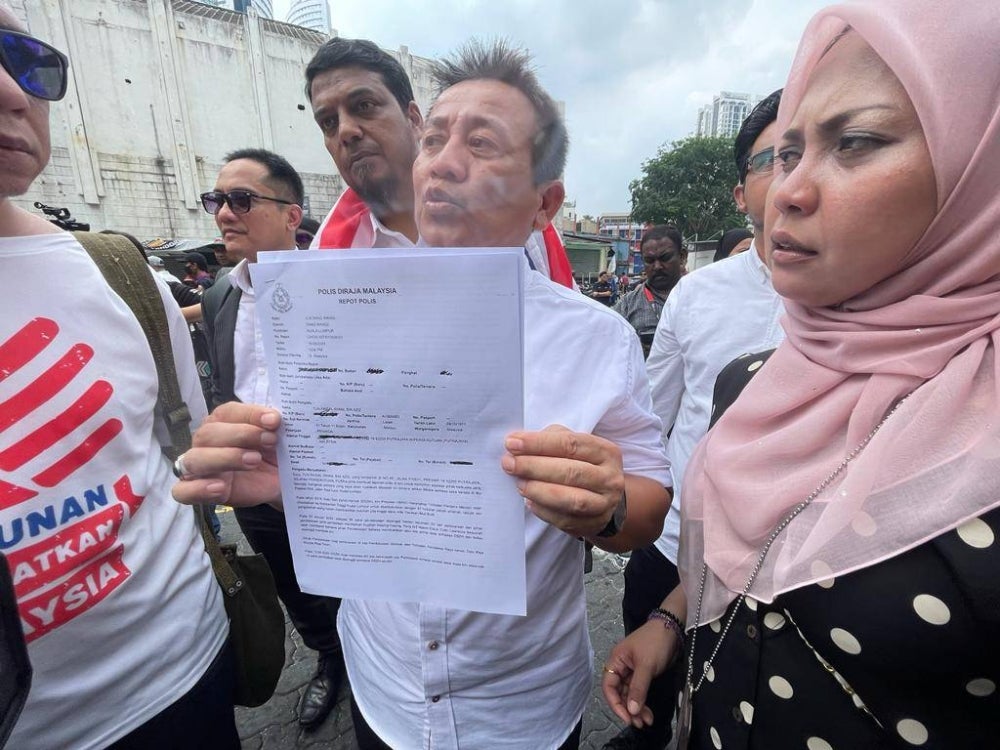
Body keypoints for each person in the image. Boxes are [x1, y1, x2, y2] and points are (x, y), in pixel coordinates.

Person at [173, 39, 671, 750]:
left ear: (545, 202)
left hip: (520, 704)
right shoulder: (327, 316)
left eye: (482, 142)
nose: (442, 160)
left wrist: (607, 504)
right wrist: (287, 488)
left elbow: (647, 505)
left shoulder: (596, 338)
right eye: (434, 139)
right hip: (387, 690)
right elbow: (332, 489)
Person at [603, 2, 1000, 748]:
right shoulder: (752, 381)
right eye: (788, 153)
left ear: (979, 162)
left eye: (855, 142)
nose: (787, 192)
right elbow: (744, 550)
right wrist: (670, 620)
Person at [0, 7, 236, 747]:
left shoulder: (121, 272)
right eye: (217, 200)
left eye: (26, 60)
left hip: (184, 670)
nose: (11, 90)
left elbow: (185, 449)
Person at [602, 93, 784, 750]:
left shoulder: (891, 309)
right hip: (676, 545)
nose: (799, 174)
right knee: (647, 697)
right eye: (777, 156)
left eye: (840, 146)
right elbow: (654, 417)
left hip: (790, 571)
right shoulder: (699, 295)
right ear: (741, 193)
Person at [198, 148, 346, 730]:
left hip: (331, 480)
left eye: (241, 199)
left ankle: (371, 663)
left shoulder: (339, 287)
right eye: (217, 200)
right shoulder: (221, 294)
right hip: (255, 485)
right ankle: (328, 657)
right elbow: (222, 380)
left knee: (351, 584)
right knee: (290, 582)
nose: (224, 213)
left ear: (291, 215)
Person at [306, 37, 576, 288]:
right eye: (328, 122)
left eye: (364, 106)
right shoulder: (327, 258)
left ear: (414, 119)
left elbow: (561, 308)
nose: (346, 131)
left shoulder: (518, 221)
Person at [612, 225, 686, 358]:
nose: (657, 266)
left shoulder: (701, 298)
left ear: (682, 256)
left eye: (665, 258)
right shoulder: (627, 305)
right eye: (649, 261)